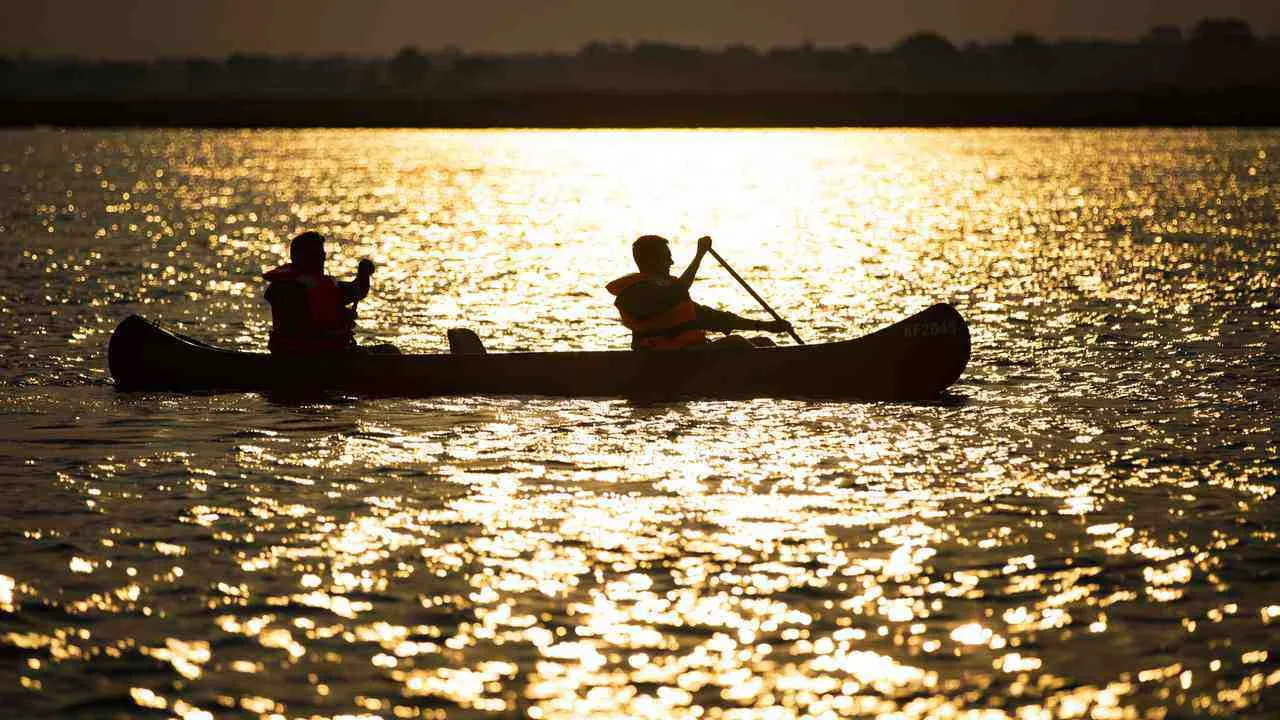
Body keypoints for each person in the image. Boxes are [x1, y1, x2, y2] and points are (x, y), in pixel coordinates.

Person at [605, 235, 792, 350]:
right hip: (663, 360)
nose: (671, 263)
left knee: (763, 342)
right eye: (667, 258)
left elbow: (714, 318)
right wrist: (699, 255)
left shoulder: (670, 289)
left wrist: (766, 325)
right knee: (736, 344)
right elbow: (673, 295)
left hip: (691, 354)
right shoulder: (635, 294)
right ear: (650, 260)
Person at [262, 231, 393, 355]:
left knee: (389, 350)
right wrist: (340, 319)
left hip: (328, 351)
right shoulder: (285, 289)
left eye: (322, 254)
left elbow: (356, 291)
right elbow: (300, 328)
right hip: (302, 355)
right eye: (315, 255)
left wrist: (363, 275)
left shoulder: (324, 285)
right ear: (298, 257)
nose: (322, 259)